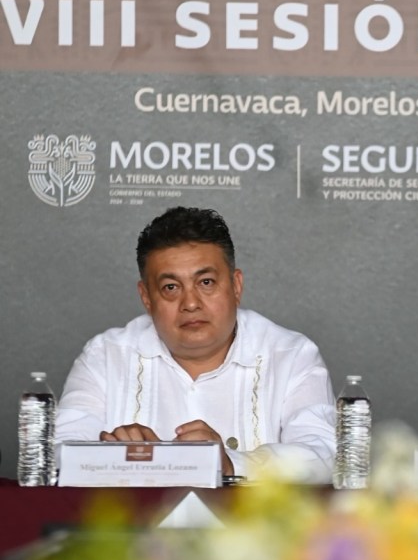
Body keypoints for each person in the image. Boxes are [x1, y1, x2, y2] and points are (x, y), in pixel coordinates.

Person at [55, 206, 336, 483]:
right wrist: (117, 457)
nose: (190, 303)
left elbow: (324, 455)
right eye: (171, 287)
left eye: (206, 282)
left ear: (236, 286)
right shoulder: (105, 356)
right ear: (147, 297)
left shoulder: (292, 356)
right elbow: (55, 452)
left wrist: (229, 463)